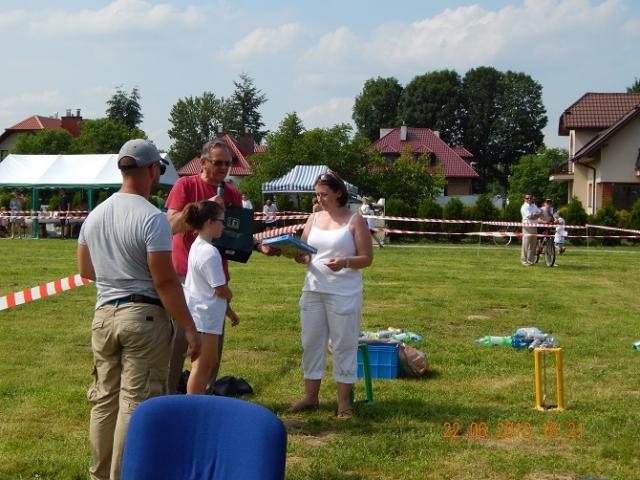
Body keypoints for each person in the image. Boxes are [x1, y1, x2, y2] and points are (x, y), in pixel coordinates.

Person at [77, 138, 201, 480]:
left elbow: (86, 270)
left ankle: (100, 474)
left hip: (104, 316)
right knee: (134, 403)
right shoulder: (152, 218)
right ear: (151, 170)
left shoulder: (95, 215)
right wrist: (189, 327)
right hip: (143, 318)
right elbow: (165, 282)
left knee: (104, 400)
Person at [165, 138, 277, 394]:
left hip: (215, 276)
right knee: (178, 343)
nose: (224, 168)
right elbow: (170, 226)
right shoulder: (185, 185)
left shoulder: (232, 193)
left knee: (210, 347)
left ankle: (205, 396)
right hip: (183, 275)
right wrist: (206, 208)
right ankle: (169, 396)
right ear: (203, 162)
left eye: (228, 163)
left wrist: (258, 246)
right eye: (218, 163)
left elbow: (239, 233)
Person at [290, 170, 373, 419]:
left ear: (338, 193)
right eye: (317, 194)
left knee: (343, 345)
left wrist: (345, 262)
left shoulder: (355, 220)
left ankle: (344, 403)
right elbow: (305, 251)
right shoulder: (313, 218)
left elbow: (367, 258)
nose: (319, 199)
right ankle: (310, 397)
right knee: (311, 343)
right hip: (313, 289)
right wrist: (298, 255)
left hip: (344, 292)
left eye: (324, 194)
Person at [182, 200, 239, 394]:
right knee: (202, 365)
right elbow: (220, 288)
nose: (224, 226)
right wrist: (231, 295)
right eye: (222, 221)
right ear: (210, 222)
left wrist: (229, 312)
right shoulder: (209, 251)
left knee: (208, 361)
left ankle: (195, 401)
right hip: (204, 316)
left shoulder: (198, 246)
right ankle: (192, 405)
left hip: (204, 314)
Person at [520, 193, 540, 266]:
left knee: (533, 245)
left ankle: (531, 260)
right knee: (526, 244)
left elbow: (539, 213)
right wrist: (535, 215)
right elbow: (529, 217)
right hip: (527, 227)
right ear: (524, 199)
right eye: (527, 198)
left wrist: (534, 215)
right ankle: (524, 261)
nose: (529, 199)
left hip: (534, 226)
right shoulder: (524, 207)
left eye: (530, 198)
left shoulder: (534, 206)